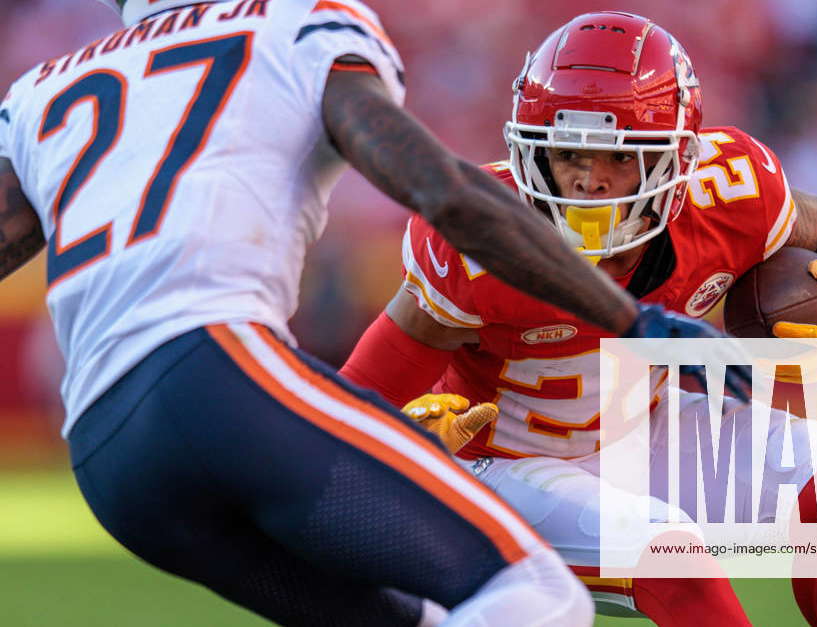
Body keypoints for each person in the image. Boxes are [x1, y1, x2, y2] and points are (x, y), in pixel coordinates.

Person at [0, 1, 745, 625]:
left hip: (104, 451)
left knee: (411, 617)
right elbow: (444, 192)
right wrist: (632, 320)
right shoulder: (294, 23)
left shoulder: (43, 88)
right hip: (215, 373)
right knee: (536, 593)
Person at [341, 11, 817, 627]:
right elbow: (353, 405)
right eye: (566, 151)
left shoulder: (728, 192)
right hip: (505, 462)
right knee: (671, 557)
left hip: (644, 425)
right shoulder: (478, 237)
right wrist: (401, 441)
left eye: (617, 155)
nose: (588, 180)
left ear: (673, 158)